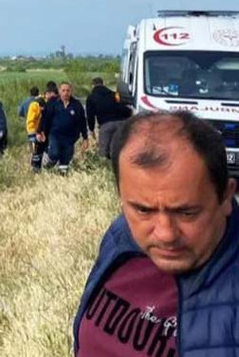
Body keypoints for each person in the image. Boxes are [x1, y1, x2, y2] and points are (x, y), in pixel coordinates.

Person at [73, 111, 239, 356]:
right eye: (143, 209)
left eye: (186, 212)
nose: (165, 234)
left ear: (226, 196)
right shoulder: (120, 237)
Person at [37, 82, 88, 174]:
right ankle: (48, 164)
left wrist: (85, 138)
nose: (65, 93)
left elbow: (82, 122)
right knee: (55, 153)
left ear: (71, 92)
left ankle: (61, 177)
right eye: (63, 90)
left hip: (70, 137)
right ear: (59, 92)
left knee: (66, 159)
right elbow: (45, 118)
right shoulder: (53, 104)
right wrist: (41, 131)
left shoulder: (76, 105)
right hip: (55, 135)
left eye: (68, 90)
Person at [86, 77, 132, 159]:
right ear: (103, 84)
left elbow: (90, 115)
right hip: (121, 123)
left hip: (105, 125)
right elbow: (123, 107)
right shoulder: (114, 94)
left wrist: (91, 129)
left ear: (92, 85)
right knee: (120, 150)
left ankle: (106, 169)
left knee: (103, 153)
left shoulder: (91, 97)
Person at [26, 83, 58, 172]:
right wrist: (32, 134)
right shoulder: (36, 104)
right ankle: (36, 170)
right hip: (36, 132)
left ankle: (45, 169)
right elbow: (30, 120)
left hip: (47, 132)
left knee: (46, 152)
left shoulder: (54, 103)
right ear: (47, 93)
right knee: (36, 152)